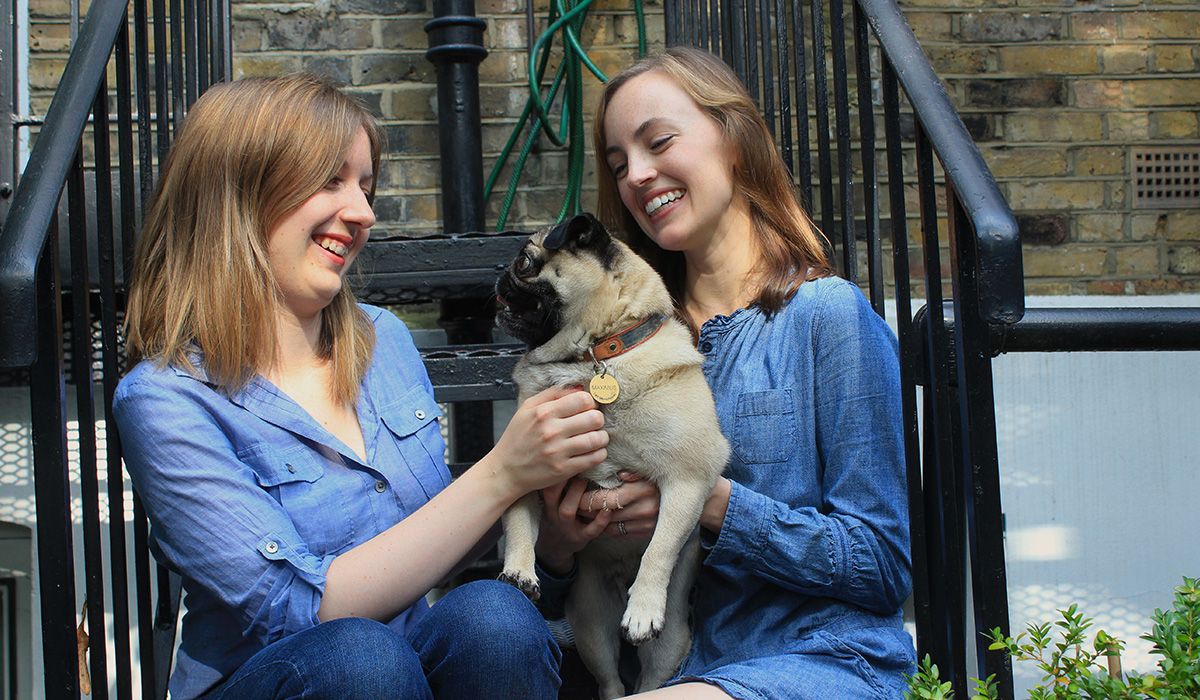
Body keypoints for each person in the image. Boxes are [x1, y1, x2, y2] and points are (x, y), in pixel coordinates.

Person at [113, 73, 610, 700]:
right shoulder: (165, 400)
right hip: (284, 679)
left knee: (493, 619)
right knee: (360, 656)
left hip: (402, 668)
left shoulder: (384, 340)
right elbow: (296, 612)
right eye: (330, 181)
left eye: (366, 189)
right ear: (235, 193)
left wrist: (550, 543)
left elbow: (437, 538)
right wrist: (503, 472)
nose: (364, 213)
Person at [534, 47, 915, 699]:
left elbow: (880, 565)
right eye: (620, 165)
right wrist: (563, 548)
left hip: (816, 659)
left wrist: (711, 503)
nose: (638, 175)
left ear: (735, 139)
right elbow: (557, 597)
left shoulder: (826, 317)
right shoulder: (621, 347)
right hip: (667, 672)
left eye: (659, 142)